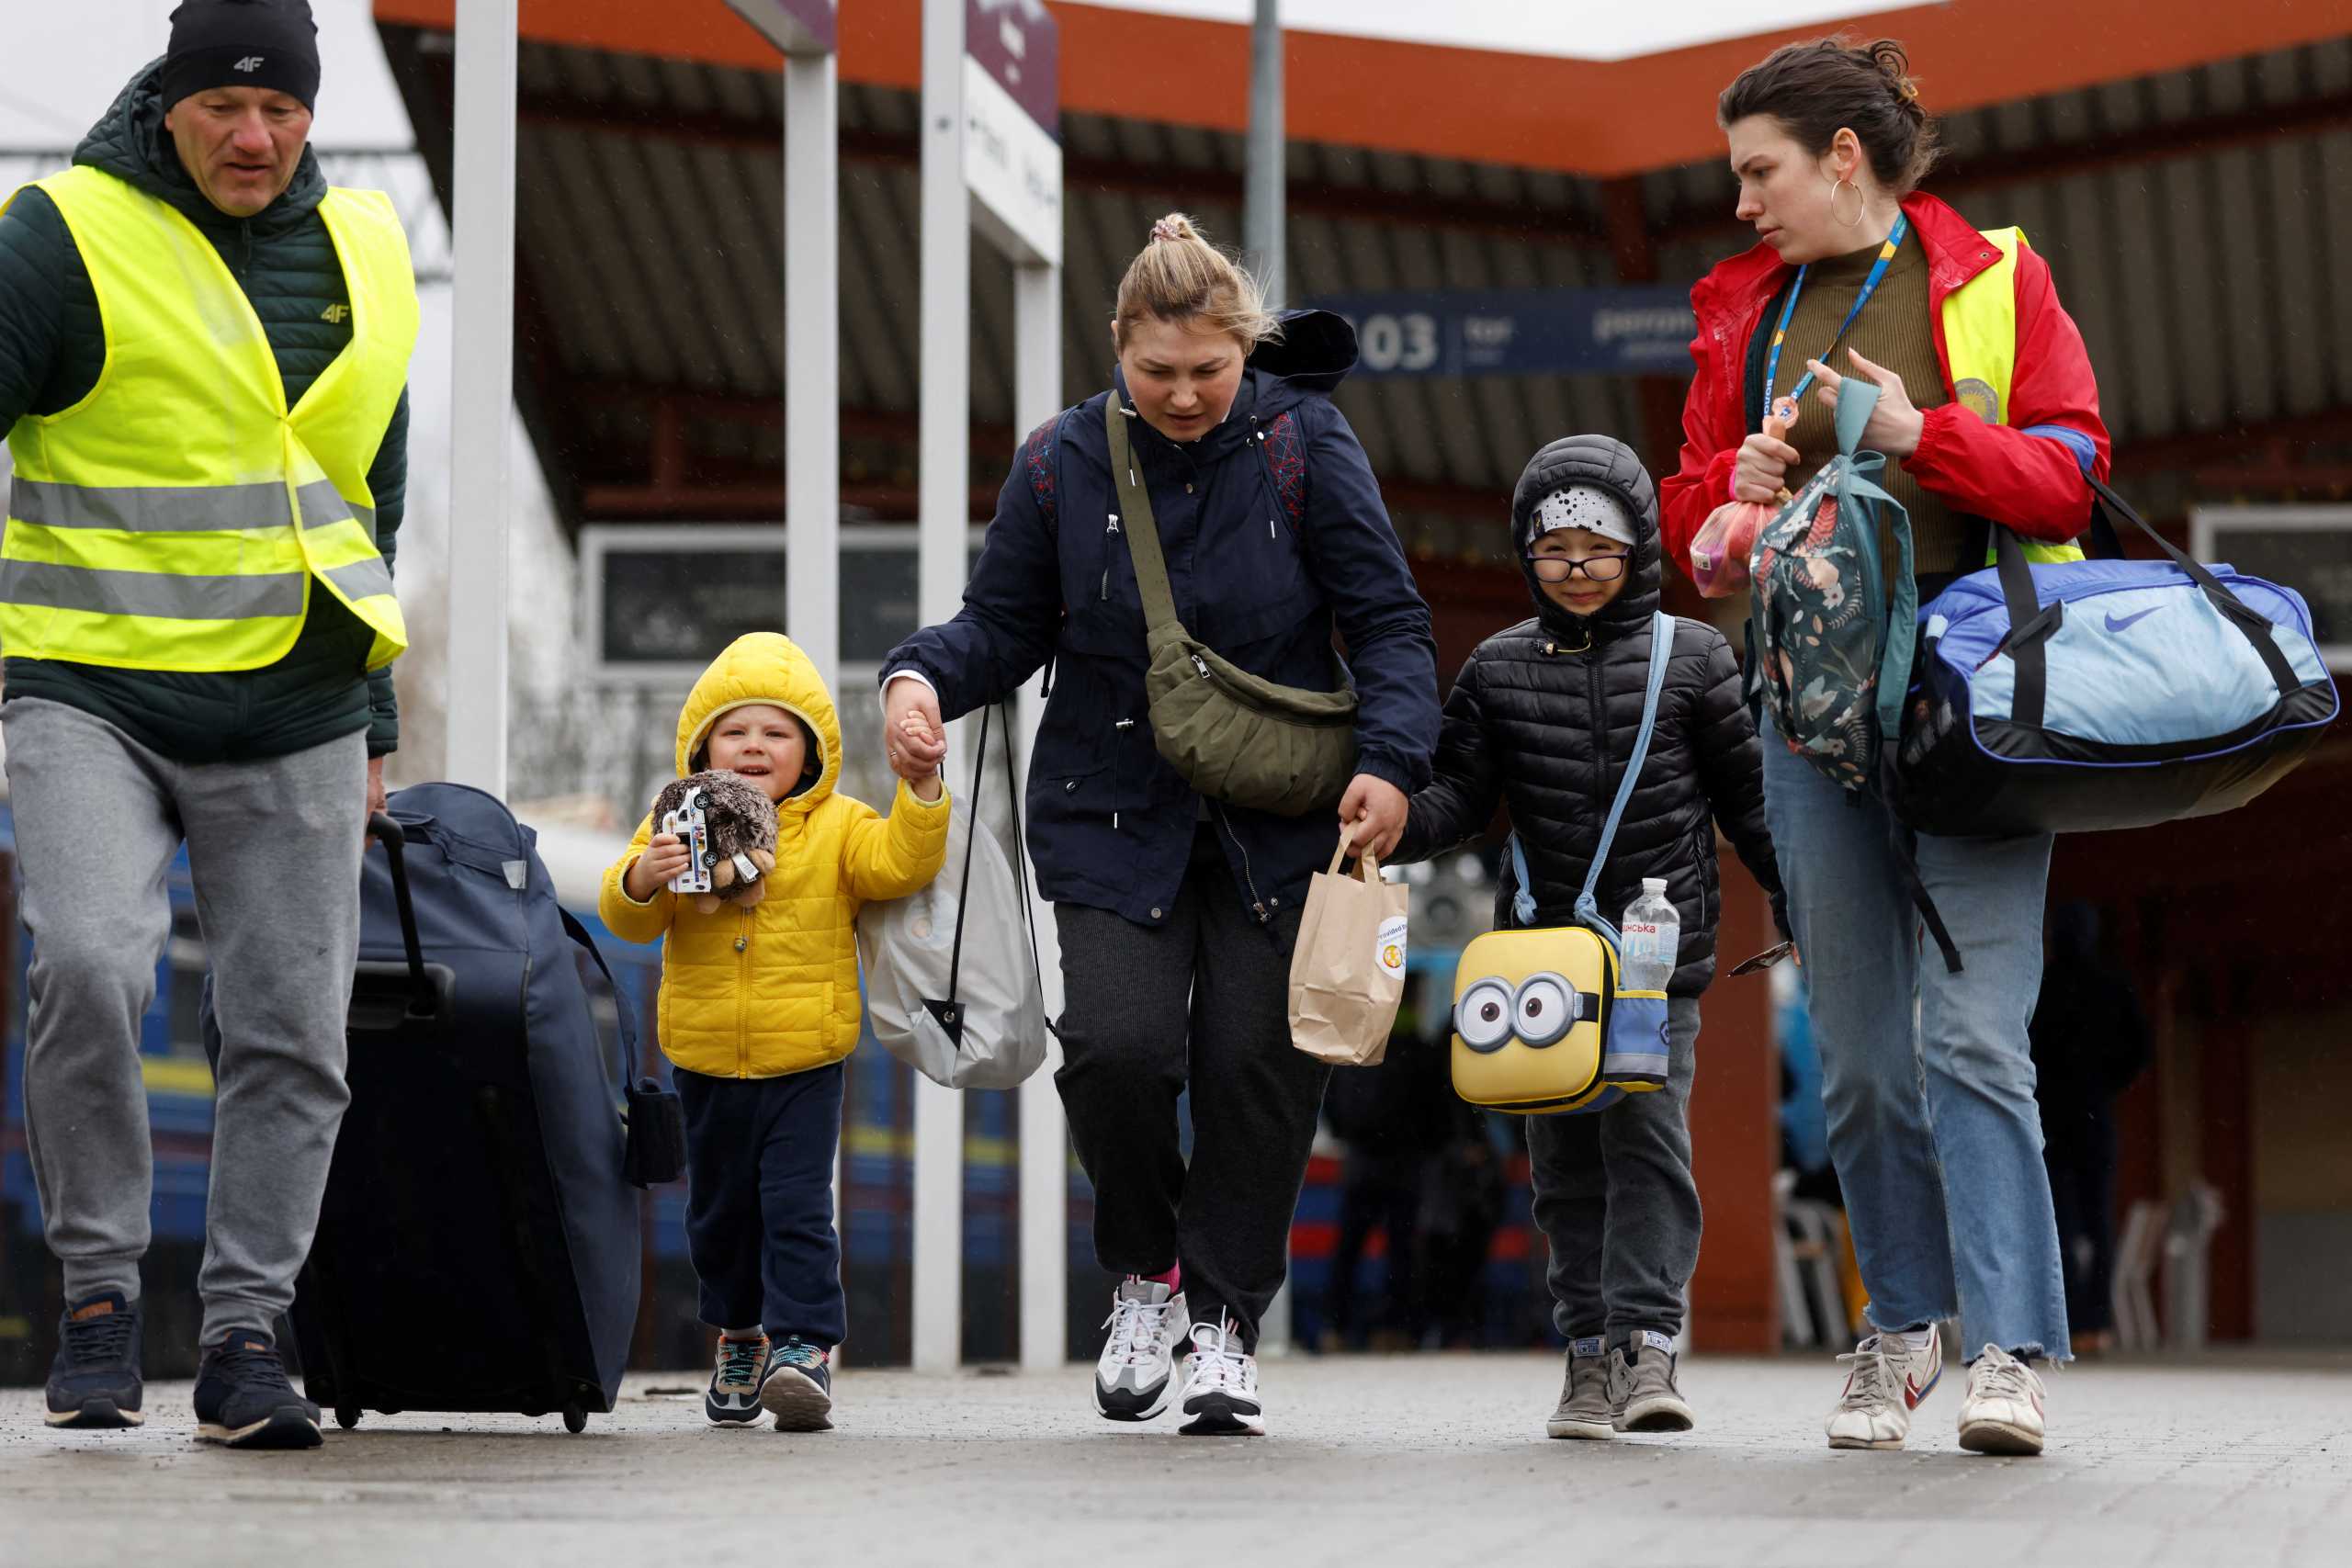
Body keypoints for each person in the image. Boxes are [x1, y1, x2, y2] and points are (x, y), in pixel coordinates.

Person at [881, 213, 1438, 1437]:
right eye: (1157, 372)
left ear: (1245, 349)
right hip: (1108, 807)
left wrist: (1394, 764)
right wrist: (917, 677)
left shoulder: (1305, 440)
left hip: (1280, 817)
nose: (1184, 395)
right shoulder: (1061, 462)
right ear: (1118, 346)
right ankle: (1147, 1274)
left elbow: (1391, 623)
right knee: (1117, 1051)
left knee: (1259, 1066)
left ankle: (1228, 1319)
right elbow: (999, 626)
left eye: (1209, 370)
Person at [1663, 38, 2113, 1456]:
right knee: (1857, 1056)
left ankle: (2013, 1349)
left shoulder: (1993, 277)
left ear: (1840, 157)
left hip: (1977, 704)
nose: (1742, 203)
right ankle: (1902, 1324)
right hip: (1808, 710)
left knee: (1975, 1034)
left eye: (1760, 171)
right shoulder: (1742, 311)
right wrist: (1724, 506)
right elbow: (1695, 536)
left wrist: (1926, 435)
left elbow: (2073, 472)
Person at [1, 0, 415, 1449]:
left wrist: (370, 714)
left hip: (298, 697)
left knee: (296, 1029)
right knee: (97, 967)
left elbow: (366, 497)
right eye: (224, 108)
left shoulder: (366, 247)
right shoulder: (58, 235)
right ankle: (102, 1296)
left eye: (283, 110)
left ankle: (246, 1336)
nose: (255, 137)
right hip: (87, 686)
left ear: (310, 113)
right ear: (167, 100)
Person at [1393, 434, 1787, 1440]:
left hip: (1657, 964)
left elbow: (1750, 803)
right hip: (1544, 960)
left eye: (1597, 549)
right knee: (1565, 1160)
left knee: (1647, 1143)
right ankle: (1584, 1354)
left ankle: (1647, 1346)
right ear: (1527, 554)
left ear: (1637, 549)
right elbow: (1460, 801)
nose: (1574, 569)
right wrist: (1392, 820)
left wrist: (1798, 898)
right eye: (1553, 550)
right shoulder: (1493, 668)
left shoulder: (1693, 656)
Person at [598, 632, 949, 1432]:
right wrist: (642, 876)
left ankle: (804, 1347)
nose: (755, 746)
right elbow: (628, 918)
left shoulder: (837, 826)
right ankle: (740, 1334)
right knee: (719, 1215)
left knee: (795, 1206)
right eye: (735, 731)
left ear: (813, 749)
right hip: (706, 1057)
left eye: (777, 732)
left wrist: (922, 791)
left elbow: (902, 864)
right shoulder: (678, 817)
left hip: (805, 1058)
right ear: (702, 746)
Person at [2029, 903, 2151, 1353]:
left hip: (2052, 1119)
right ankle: (2096, 1323)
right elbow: (2139, 1051)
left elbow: (2026, 1050)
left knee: (2058, 1223)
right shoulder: (2114, 984)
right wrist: (2106, 1084)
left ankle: (2065, 1319)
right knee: (2099, 1223)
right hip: (2096, 1116)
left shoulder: (2043, 986)